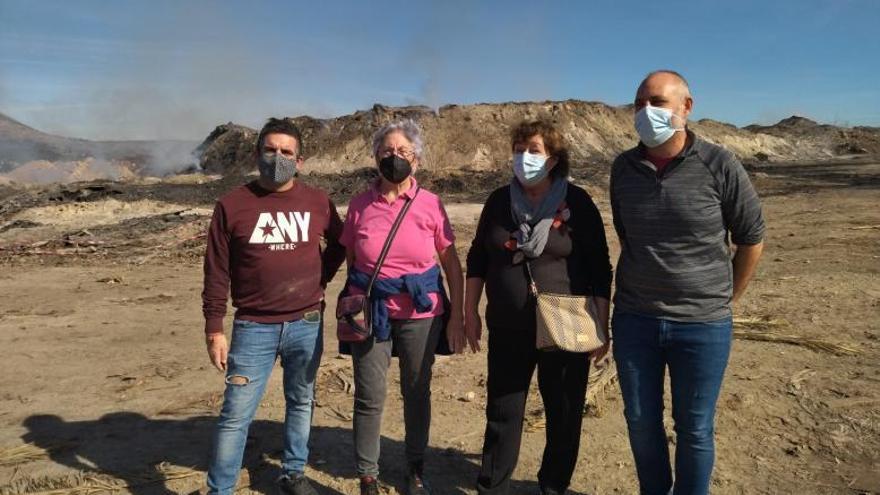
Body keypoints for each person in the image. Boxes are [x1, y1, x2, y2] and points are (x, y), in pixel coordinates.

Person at [609, 70, 765, 495]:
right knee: (640, 422)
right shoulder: (623, 169)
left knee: (694, 428)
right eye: (639, 104)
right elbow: (628, 236)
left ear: (686, 108)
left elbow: (751, 237)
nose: (646, 112)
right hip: (635, 320)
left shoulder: (720, 164)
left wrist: (725, 297)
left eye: (657, 102)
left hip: (702, 325)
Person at [465, 120, 613, 495]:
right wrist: (469, 312)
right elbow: (478, 259)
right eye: (518, 149)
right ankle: (492, 487)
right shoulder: (499, 201)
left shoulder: (577, 203)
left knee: (563, 414)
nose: (523, 157)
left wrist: (602, 324)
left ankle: (553, 486)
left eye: (533, 149)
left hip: (565, 326)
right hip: (508, 327)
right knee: (503, 412)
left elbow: (599, 267)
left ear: (553, 158)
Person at [201, 118, 346, 495]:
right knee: (235, 414)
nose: (277, 157)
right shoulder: (232, 205)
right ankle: (221, 489)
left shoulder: (317, 201)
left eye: (286, 152)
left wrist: (321, 279)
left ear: (299, 161)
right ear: (257, 153)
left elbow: (342, 243)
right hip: (253, 327)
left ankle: (293, 473)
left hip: (307, 321)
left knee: (301, 401)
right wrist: (214, 328)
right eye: (270, 150)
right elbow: (216, 270)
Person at [339, 120, 466, 495]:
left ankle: (415, 469)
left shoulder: (430, 205)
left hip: (421, 314)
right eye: (387, 152)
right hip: (372, 313)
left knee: (417, 390)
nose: (394, 158)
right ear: (376, 157)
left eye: (403, 152)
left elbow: (452, 264)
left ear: (418, 160)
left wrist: (457, 316)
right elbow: (352, 261)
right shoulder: (360, 205)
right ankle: (367, 475)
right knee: (368, 395)